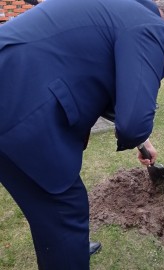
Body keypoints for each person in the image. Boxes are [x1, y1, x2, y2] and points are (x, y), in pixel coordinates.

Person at [0, 0, 164, 269]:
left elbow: (106, 81)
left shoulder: (124, 10)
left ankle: (66, 246)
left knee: (45, 203)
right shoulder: (153, 29)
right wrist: (137, 133)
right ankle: (67, 249)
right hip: (19, 102)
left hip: (14, 81)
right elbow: (133, 121)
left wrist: (143, 142)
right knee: (65, 209)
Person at [24, 0, 102, 257]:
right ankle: (69, 249)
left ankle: (70, 246)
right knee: (65, 200)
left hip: (61, 106)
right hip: (37, 113)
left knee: (58, 200)